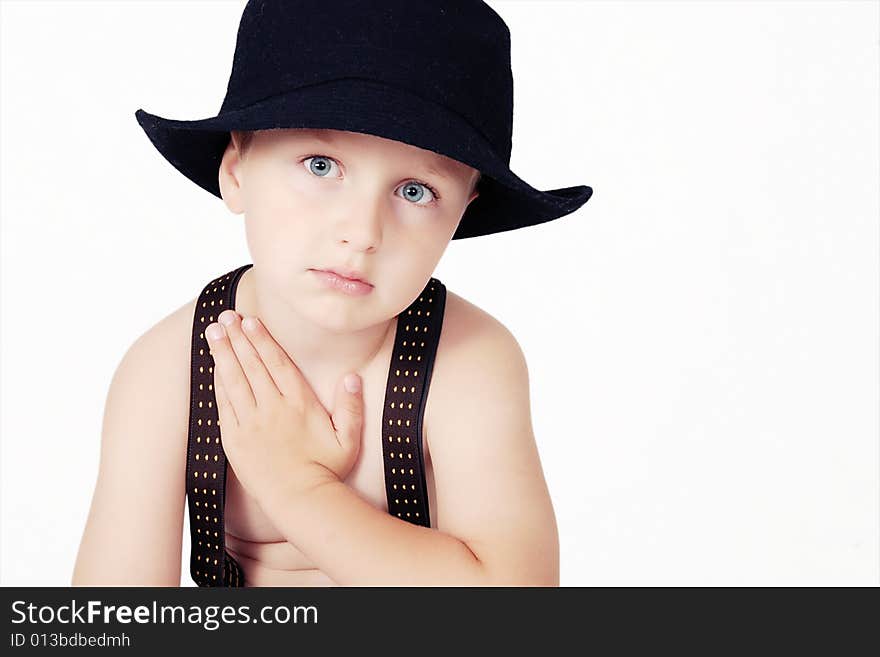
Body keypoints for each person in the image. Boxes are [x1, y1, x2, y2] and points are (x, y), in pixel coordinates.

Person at [72, 0, 593, 587]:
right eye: (320, 165)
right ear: (237, 169)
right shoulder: (170, 371)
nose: (362, 233)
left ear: (462, 212)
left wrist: (297, 487)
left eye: (416, 191)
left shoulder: (467, 362)